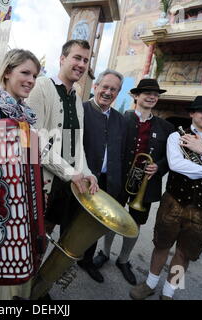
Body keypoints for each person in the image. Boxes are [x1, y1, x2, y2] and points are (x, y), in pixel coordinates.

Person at [130, 94, 202, 300]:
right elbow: (177, 165)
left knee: (185, 254)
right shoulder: (177, 136)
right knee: (161, 245)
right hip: (173, 202)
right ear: (192, 113)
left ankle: (169, 291)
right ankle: (150, 283)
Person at [93, 78, 174, 285]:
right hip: (119, 180)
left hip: (146, 184)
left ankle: (124, 259)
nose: (151, 97)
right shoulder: (119, 119)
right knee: (113, 218)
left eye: (155, 94)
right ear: (136, 96)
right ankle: (105, 251)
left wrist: (159, 166)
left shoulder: (166, 127)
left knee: (135, 223)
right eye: (146, 93)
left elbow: (171, 157)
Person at [0, 48, 41, 300]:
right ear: (6, 73)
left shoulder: (25, 114)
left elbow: (30, 159)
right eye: (25, 72)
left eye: (35, 75)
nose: (31, 80)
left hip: (20, 202)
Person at [26, 39, 99, 235]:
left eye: (86, 60)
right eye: (77, 58)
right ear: (62, 59)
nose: (82, 64)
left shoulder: (76, 98)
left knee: (46, 234)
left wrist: (87, 172)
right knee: (32, 237)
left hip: (64, 184)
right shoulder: (40, 87)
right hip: (41, 182)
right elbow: (35, 144)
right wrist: (70, 172)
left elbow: (76, 144)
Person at [77, 69, 127, 283]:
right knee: (73, 222)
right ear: (95, 86)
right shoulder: (81, 109)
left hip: (107, 182)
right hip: (81, 178)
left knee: (95, 224)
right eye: (104, 87)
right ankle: (58, 264)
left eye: (113, 89)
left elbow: (121, 153)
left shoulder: (120, 119)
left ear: (118, 93)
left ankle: (86, 260)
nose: (108, 92)